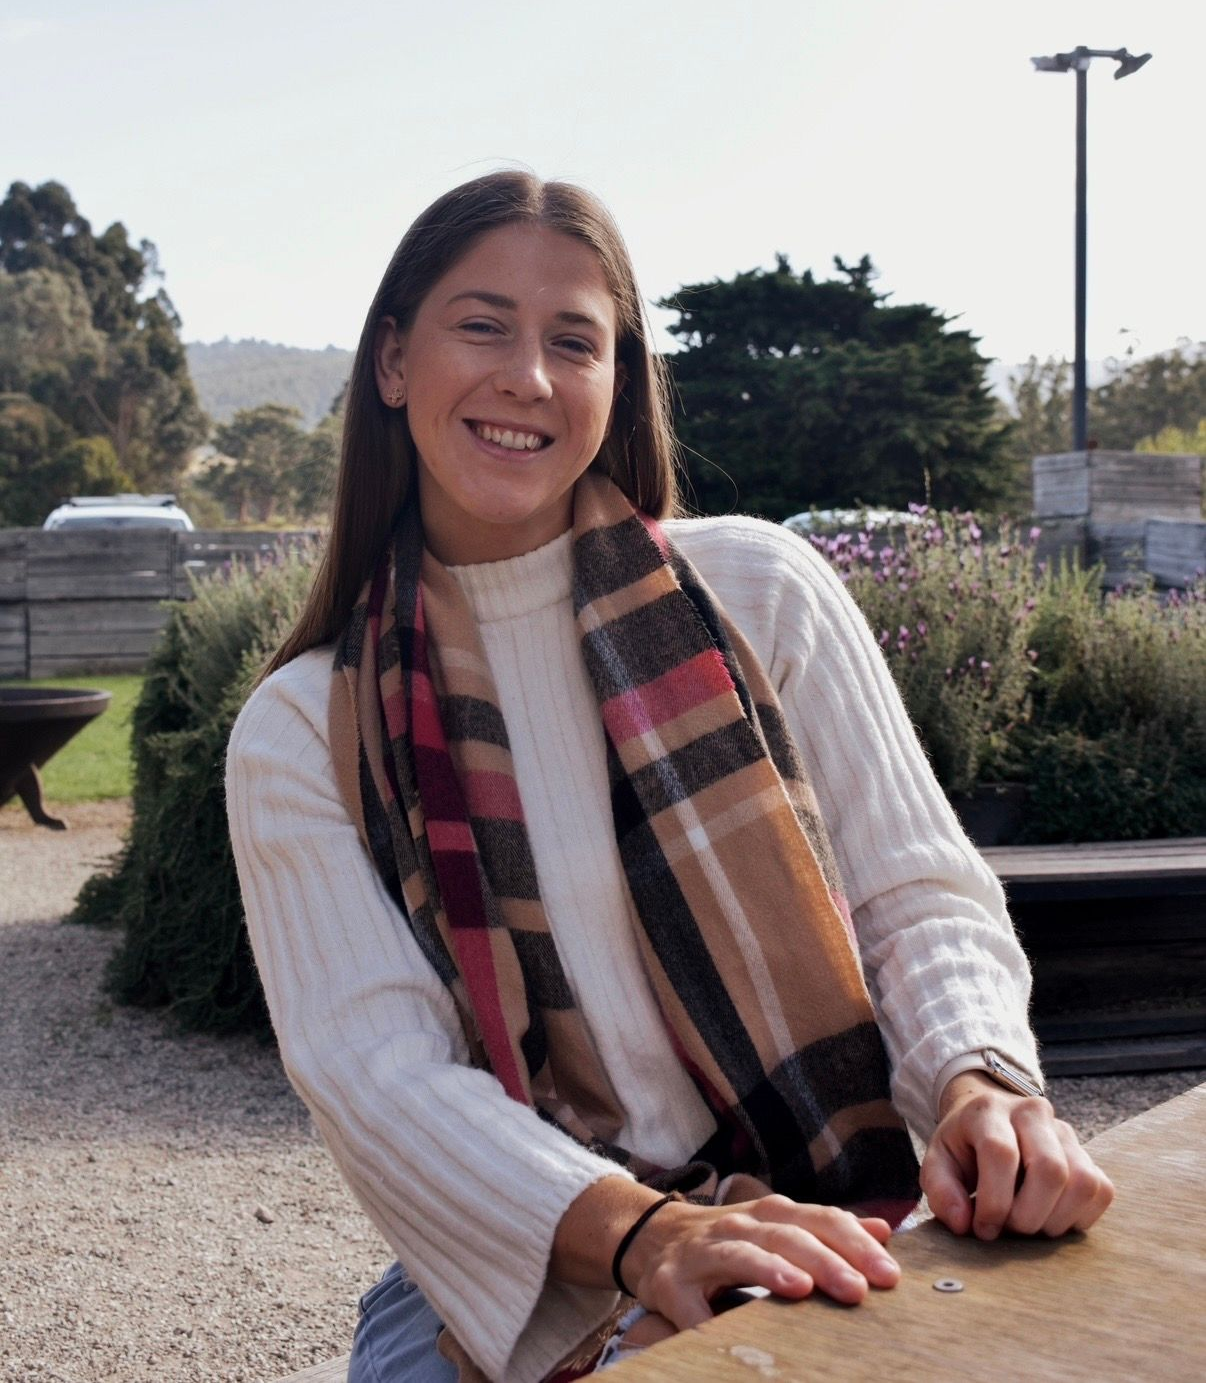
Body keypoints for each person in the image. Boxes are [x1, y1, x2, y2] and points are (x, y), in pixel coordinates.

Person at [225, 171, 1113, 1383]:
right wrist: (646, 1236)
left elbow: (916, 897)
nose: (527, 377)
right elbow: (381, 1080)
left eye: (573, 341)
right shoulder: (299, 730)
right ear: (392, 361)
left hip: (835, 1219)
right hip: (519, 1277)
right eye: (482, 326)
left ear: (618, 381)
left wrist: (980, 1082)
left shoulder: (764, 592)